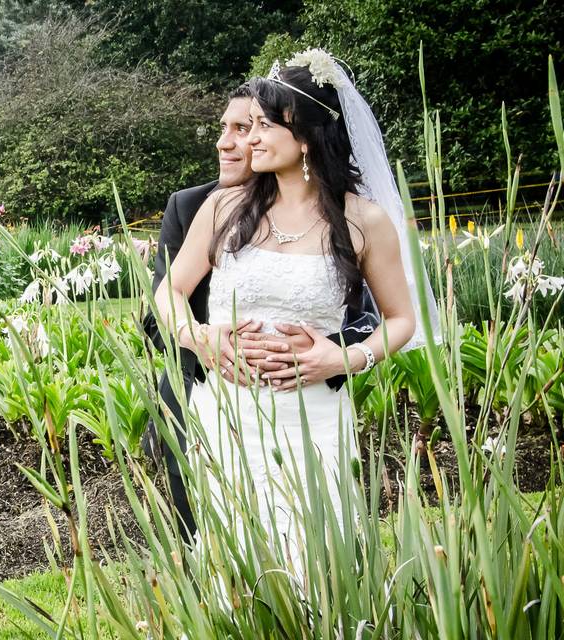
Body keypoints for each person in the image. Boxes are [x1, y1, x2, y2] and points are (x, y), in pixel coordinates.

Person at [153, 49, 436, 546]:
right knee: (229, 559)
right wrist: (197, 337)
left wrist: (345, 357)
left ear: (305, 137)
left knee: (314, 556)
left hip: (312, 420)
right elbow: (171, 290)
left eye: (263, 126)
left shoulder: (363, 221)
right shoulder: (223, 207)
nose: (249, 138)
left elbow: (400, 319)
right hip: (225, 415)